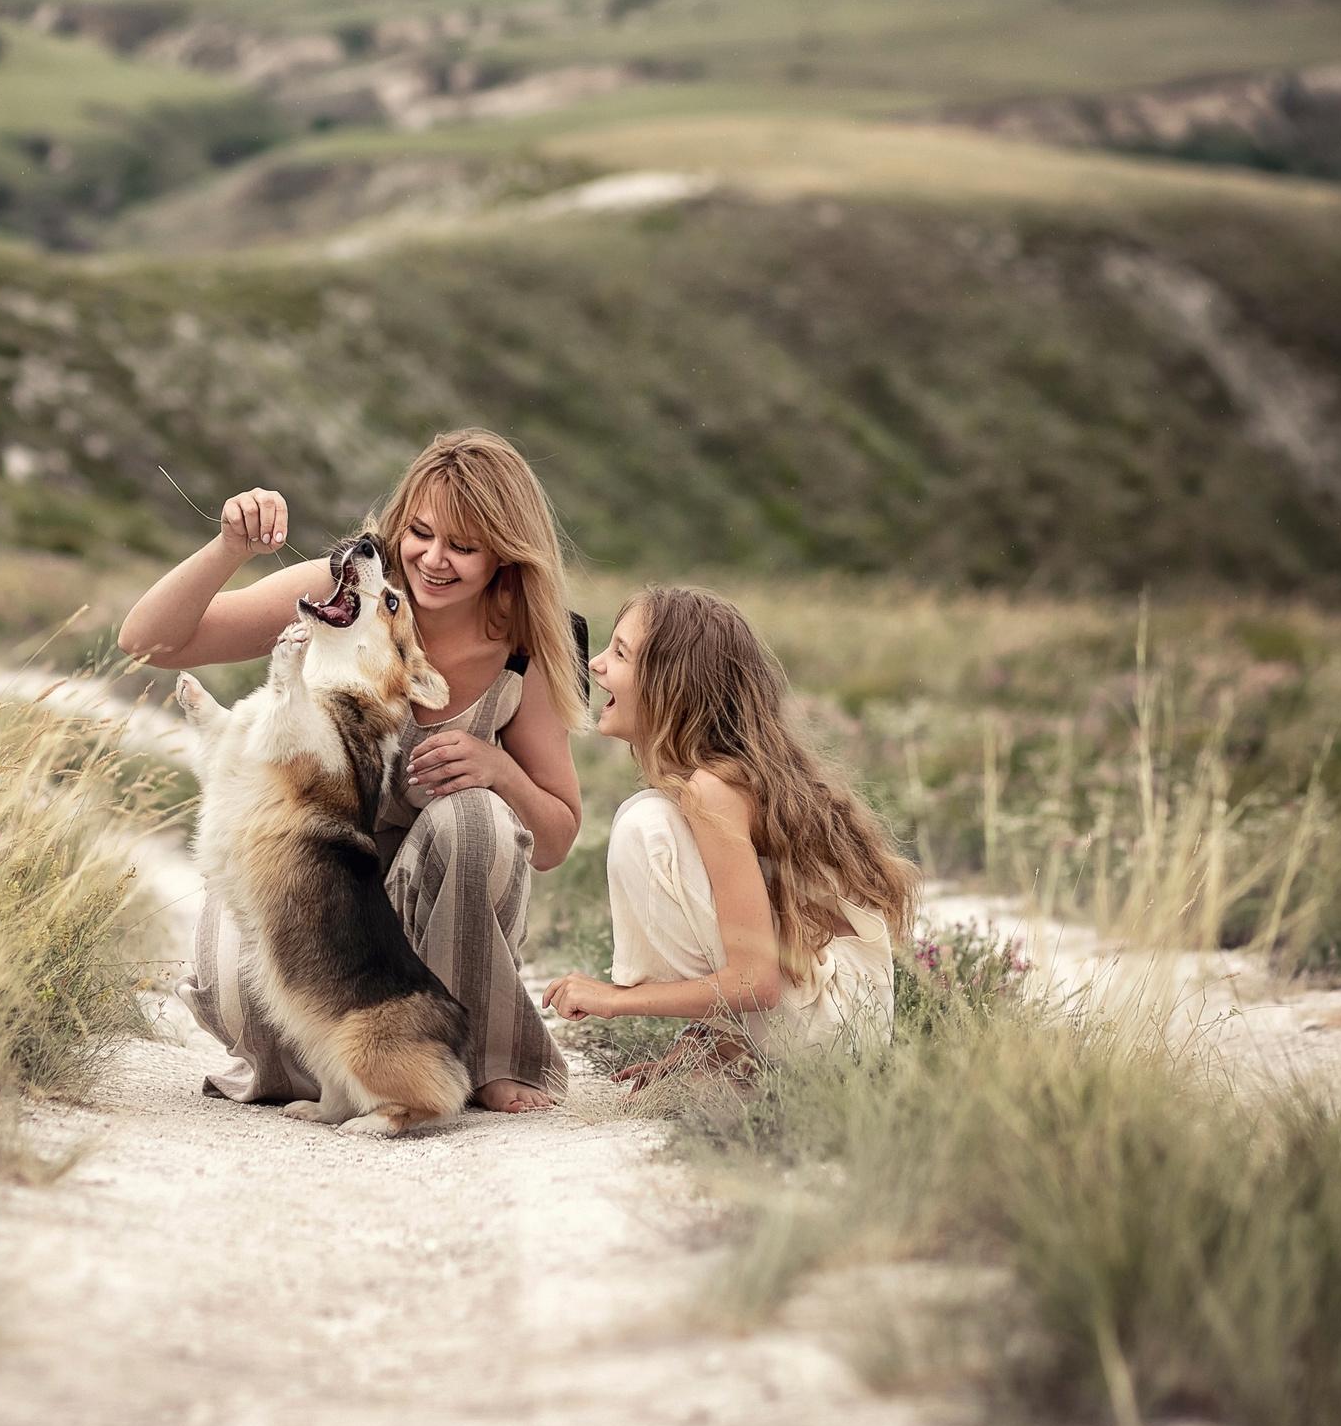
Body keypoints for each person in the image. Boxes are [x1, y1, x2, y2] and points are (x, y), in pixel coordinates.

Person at [119, 430, 588, 1113]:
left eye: (463, 545)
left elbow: (553, 843)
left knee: (476, 818)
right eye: (421, 532)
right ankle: (364, 1071)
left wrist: (500, 770)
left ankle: (485, 1056)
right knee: (269, 1044)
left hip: (428, 911)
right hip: (311, 893)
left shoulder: (527, 648)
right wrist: (231, 547)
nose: (432, 558)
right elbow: (146, 642)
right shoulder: (342, 591)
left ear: (505, 554)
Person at [541, 585, 919, 1084]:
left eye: (621, 653)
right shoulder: (720, 779)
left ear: (670, 685)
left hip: (834, 1029)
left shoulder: (713, 790)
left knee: (645, 827)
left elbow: (756, 981)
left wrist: (616, 1001)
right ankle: (731, 1048)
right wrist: (702, 1045)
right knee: (653, 818)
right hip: (850, 1024)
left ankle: (744, 1057)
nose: (595, 663)